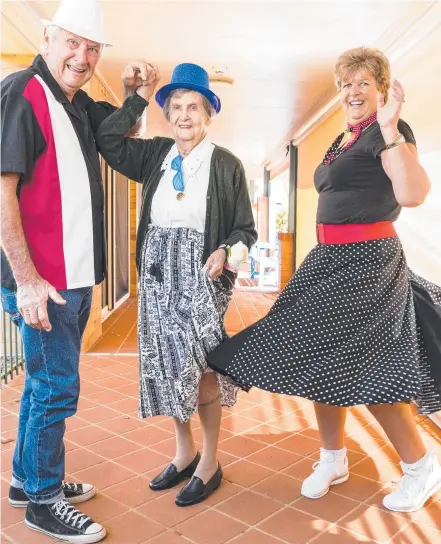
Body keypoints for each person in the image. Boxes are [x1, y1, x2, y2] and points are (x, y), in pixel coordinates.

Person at [207, 46, 441, 513]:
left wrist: (392, 126)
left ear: (380, 88)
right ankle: (333, 458)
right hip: (330, 260)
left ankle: (421, 467)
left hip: (368, 263)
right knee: (316, 356)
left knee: (371, 369)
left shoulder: (389, 131)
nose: (352, 92)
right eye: (345, 85)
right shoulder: (345, 138)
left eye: (363, 84)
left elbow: (413, 194)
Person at [0, 0, 146, 540]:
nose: (81, 57)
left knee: (44, 385)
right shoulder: (23, 92)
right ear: (46, 37)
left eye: (91, 48)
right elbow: (2, 189)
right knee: (57, 387)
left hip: (73, 277)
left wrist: (136, 96)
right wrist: (29, 280)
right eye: (71, 43)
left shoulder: (76, 105)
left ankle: (26, 478)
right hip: (46, 282)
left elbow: (120, 135)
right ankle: (43, 498)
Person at [95, 62, 257, 506]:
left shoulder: (226, 165)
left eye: (194, 107)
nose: (184, 116)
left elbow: (246, 230)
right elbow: (108, 139)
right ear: (168, 114)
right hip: (156, 276)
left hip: (201, 276)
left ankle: (210, 462)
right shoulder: (156, 156)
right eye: (177, 107)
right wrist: (138, 97)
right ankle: (184, 453)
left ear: (208, 114)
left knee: (201, 367)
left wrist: (226, 252)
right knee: (167, 366)